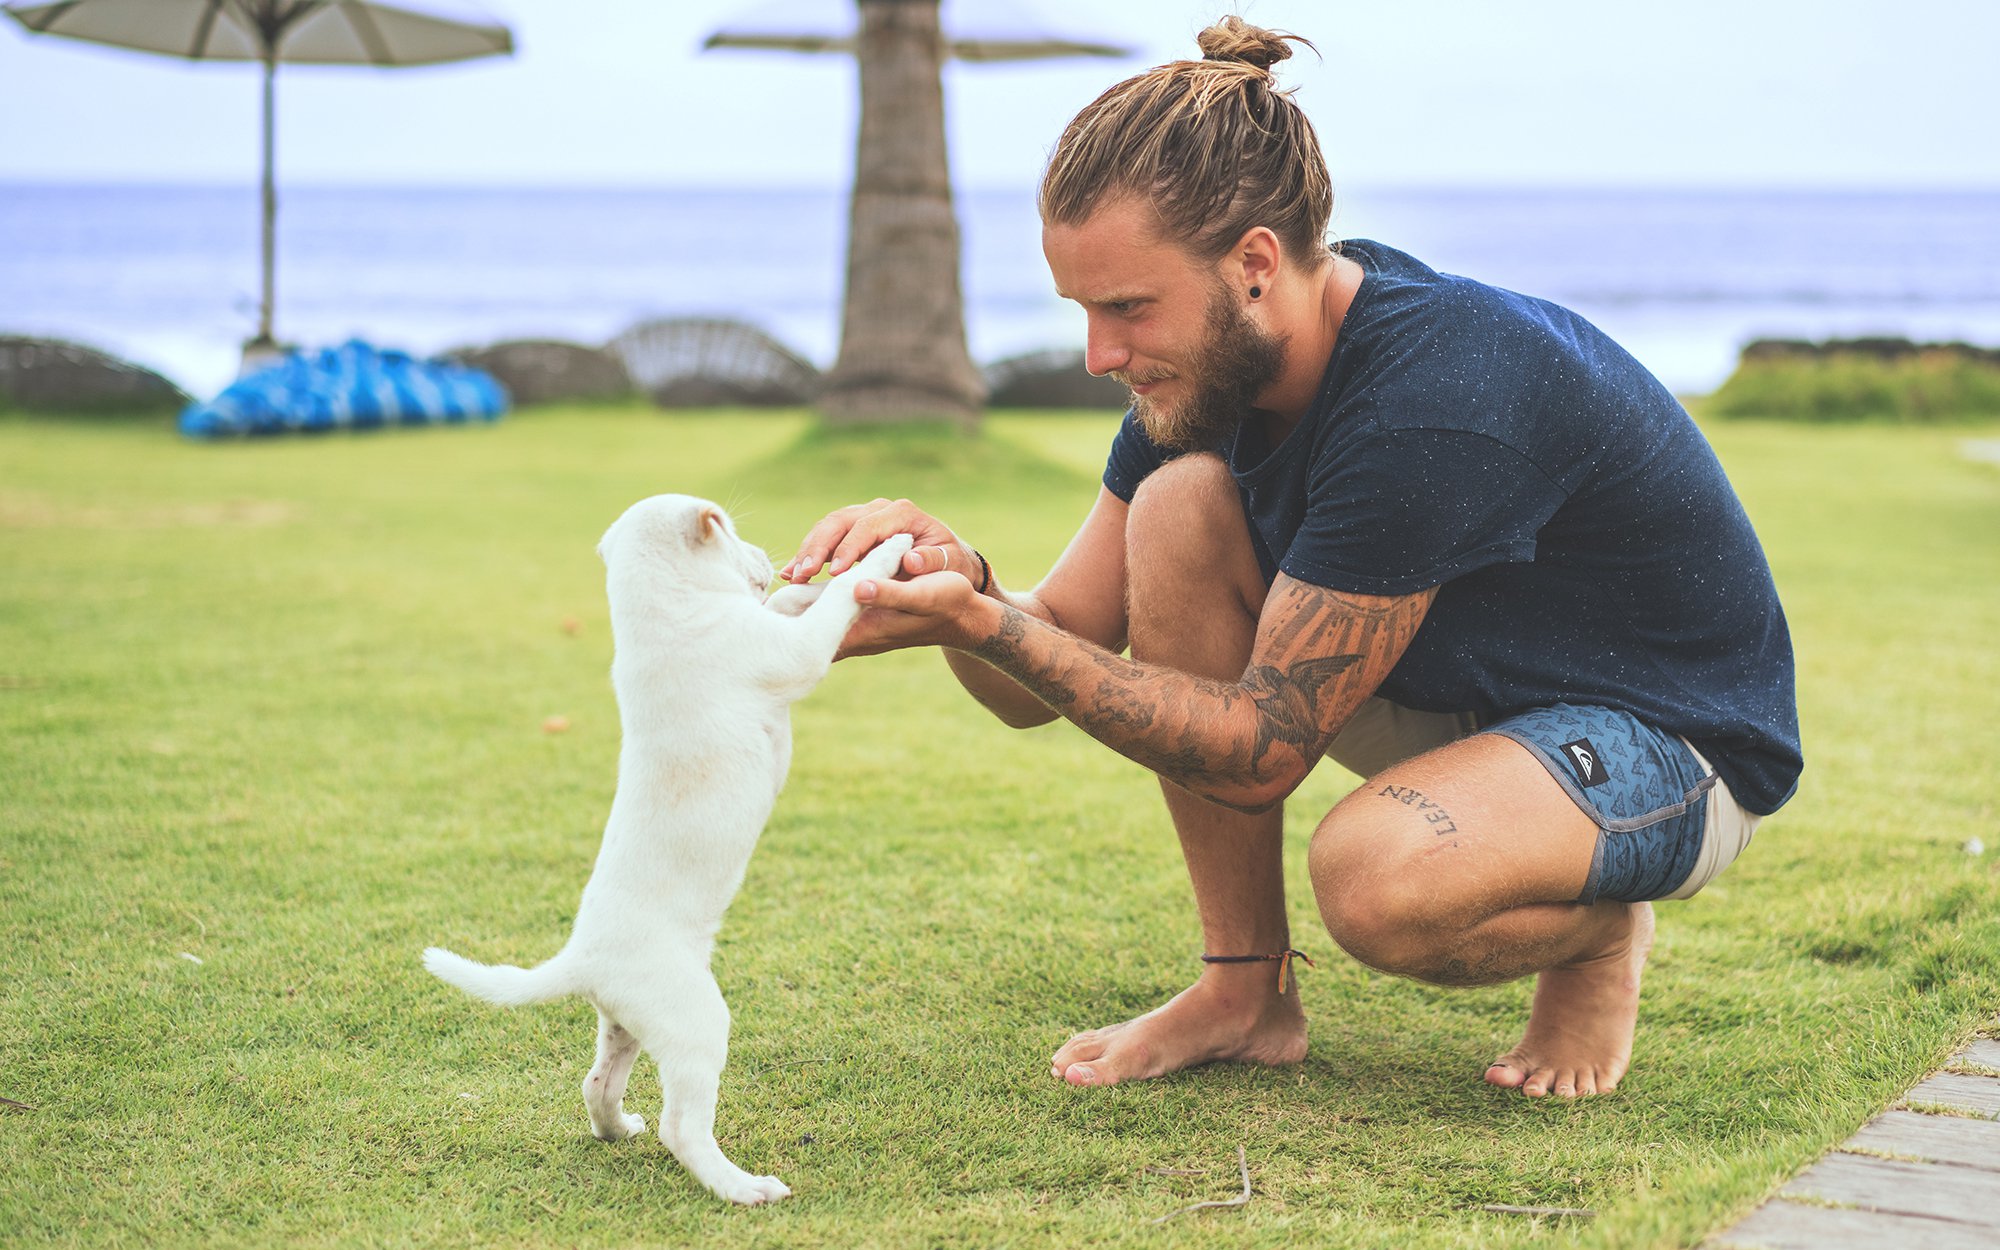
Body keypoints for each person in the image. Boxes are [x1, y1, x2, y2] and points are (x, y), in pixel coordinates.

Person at [779, 16, 1801, 1100]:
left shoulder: (1430, 392)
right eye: (1083, 310)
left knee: (1374, 883)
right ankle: (1243, 990)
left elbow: (1262, 746)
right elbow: (1048, 657)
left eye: (1126, 307)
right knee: (1174, 507)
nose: (1098, 355)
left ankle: (1594, 939)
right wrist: (962, 581)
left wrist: (987, 624)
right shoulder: (1203, 379)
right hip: (1457, 696)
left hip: (1666, 740)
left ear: (1254, 265)